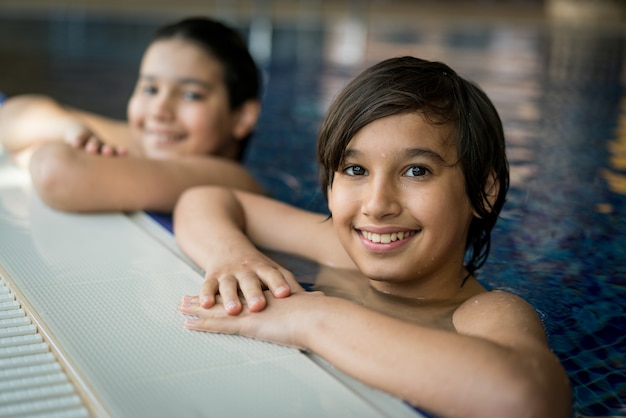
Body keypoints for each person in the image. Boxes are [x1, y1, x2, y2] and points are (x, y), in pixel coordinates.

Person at [174, 56, 572, 418]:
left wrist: (312, 318)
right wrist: (234, 255)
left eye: (416, 171)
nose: (377, 205)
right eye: (355, 170)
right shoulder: (335, 250)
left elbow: (527, 396)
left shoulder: (481, 312)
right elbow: (207, 198)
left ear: (483, 191)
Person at [0, 16, 263, 213]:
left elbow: (56, 172)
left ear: (242, 117)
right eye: (150, 88)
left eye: (191, 95)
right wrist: (69, 128)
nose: (159, 110)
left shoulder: (230, 179)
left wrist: (32, 150)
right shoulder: (146, 141)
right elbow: (11, 116)